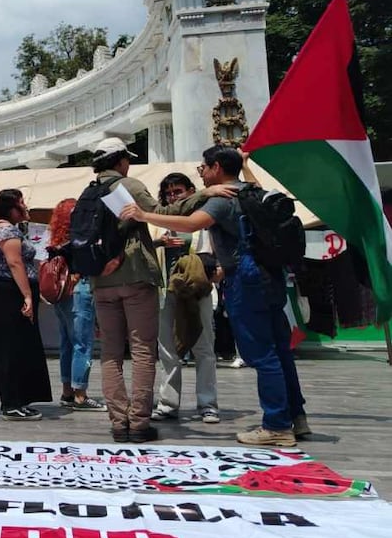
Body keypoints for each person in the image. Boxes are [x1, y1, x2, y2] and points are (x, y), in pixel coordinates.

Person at [121, 145, 309, 447]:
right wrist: (245, 164)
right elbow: (255, 184)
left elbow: (192, 224)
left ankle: (276, 425)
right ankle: (296, 418)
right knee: (280, 351)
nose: (203, 173)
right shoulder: (250, 190)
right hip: (269, 276)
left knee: (261, 354)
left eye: (204, 168)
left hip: (245, 277)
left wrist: (144, 215)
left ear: (217, 167)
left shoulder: (222, 199)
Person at [86, 138, 235, 443]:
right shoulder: (128, 185)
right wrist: (205, 193)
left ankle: (118, 422)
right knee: (143, 350)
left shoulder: (89, 191)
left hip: (102, 280)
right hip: (136, 277)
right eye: (126, 159)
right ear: (120, 161)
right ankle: (139, 422)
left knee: (111, 353)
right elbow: (164, 210)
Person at [150, 174, 220, 424]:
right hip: (165, 290)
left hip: (196, 289)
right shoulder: (159, 219)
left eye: (178, 191)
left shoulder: (203, 216)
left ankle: (207, 403)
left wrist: (217, 270)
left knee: (203, 347)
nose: (173, 196)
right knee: (167, 349)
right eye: (168, 193)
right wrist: (160, 242)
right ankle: (168, 403)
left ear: (191, 191)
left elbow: (217, 249)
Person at [0, 189, 52, 420]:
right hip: (8, 294)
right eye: (21, 203)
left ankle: (18, 399)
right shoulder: (5, 230)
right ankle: (11, 403)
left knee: (19, 346)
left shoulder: (7, 228)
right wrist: (27, 295)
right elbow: (14, 262)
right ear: (12, 208)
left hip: (9, 292)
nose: (25, 206)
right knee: (10, 347)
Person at [47, 198, 105, 411]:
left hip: (61, 293)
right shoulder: (79, 238)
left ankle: (67, 392)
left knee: (67, 344)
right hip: (79, 288)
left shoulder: (56, 241)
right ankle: (80, 394)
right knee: (82, 343)